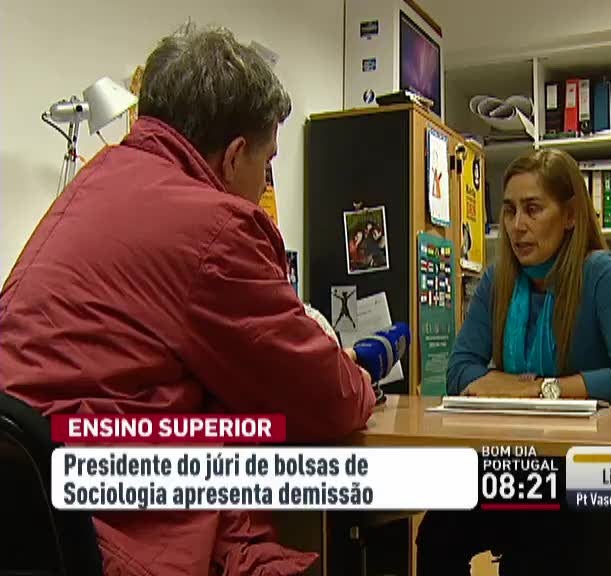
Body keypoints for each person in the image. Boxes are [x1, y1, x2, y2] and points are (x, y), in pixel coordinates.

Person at [0, 23, 375, 576]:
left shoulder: (96, 180)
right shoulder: (214, 230)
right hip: (105, 525)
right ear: (235, 155)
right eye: (267, 163)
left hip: (30, 504)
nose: (265, 184)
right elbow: (327, 399)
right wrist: (359, 373)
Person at [415, 148, 611, 575]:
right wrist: (502, 385)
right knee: (438, 534)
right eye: (509, 211)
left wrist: (543, 389)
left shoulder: (598, 273)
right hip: (516, 462)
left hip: (586, 469)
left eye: (532, 209)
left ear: (570, 216)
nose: (517, 226)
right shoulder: (498, 279)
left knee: (538, 549)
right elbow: (459, 371)